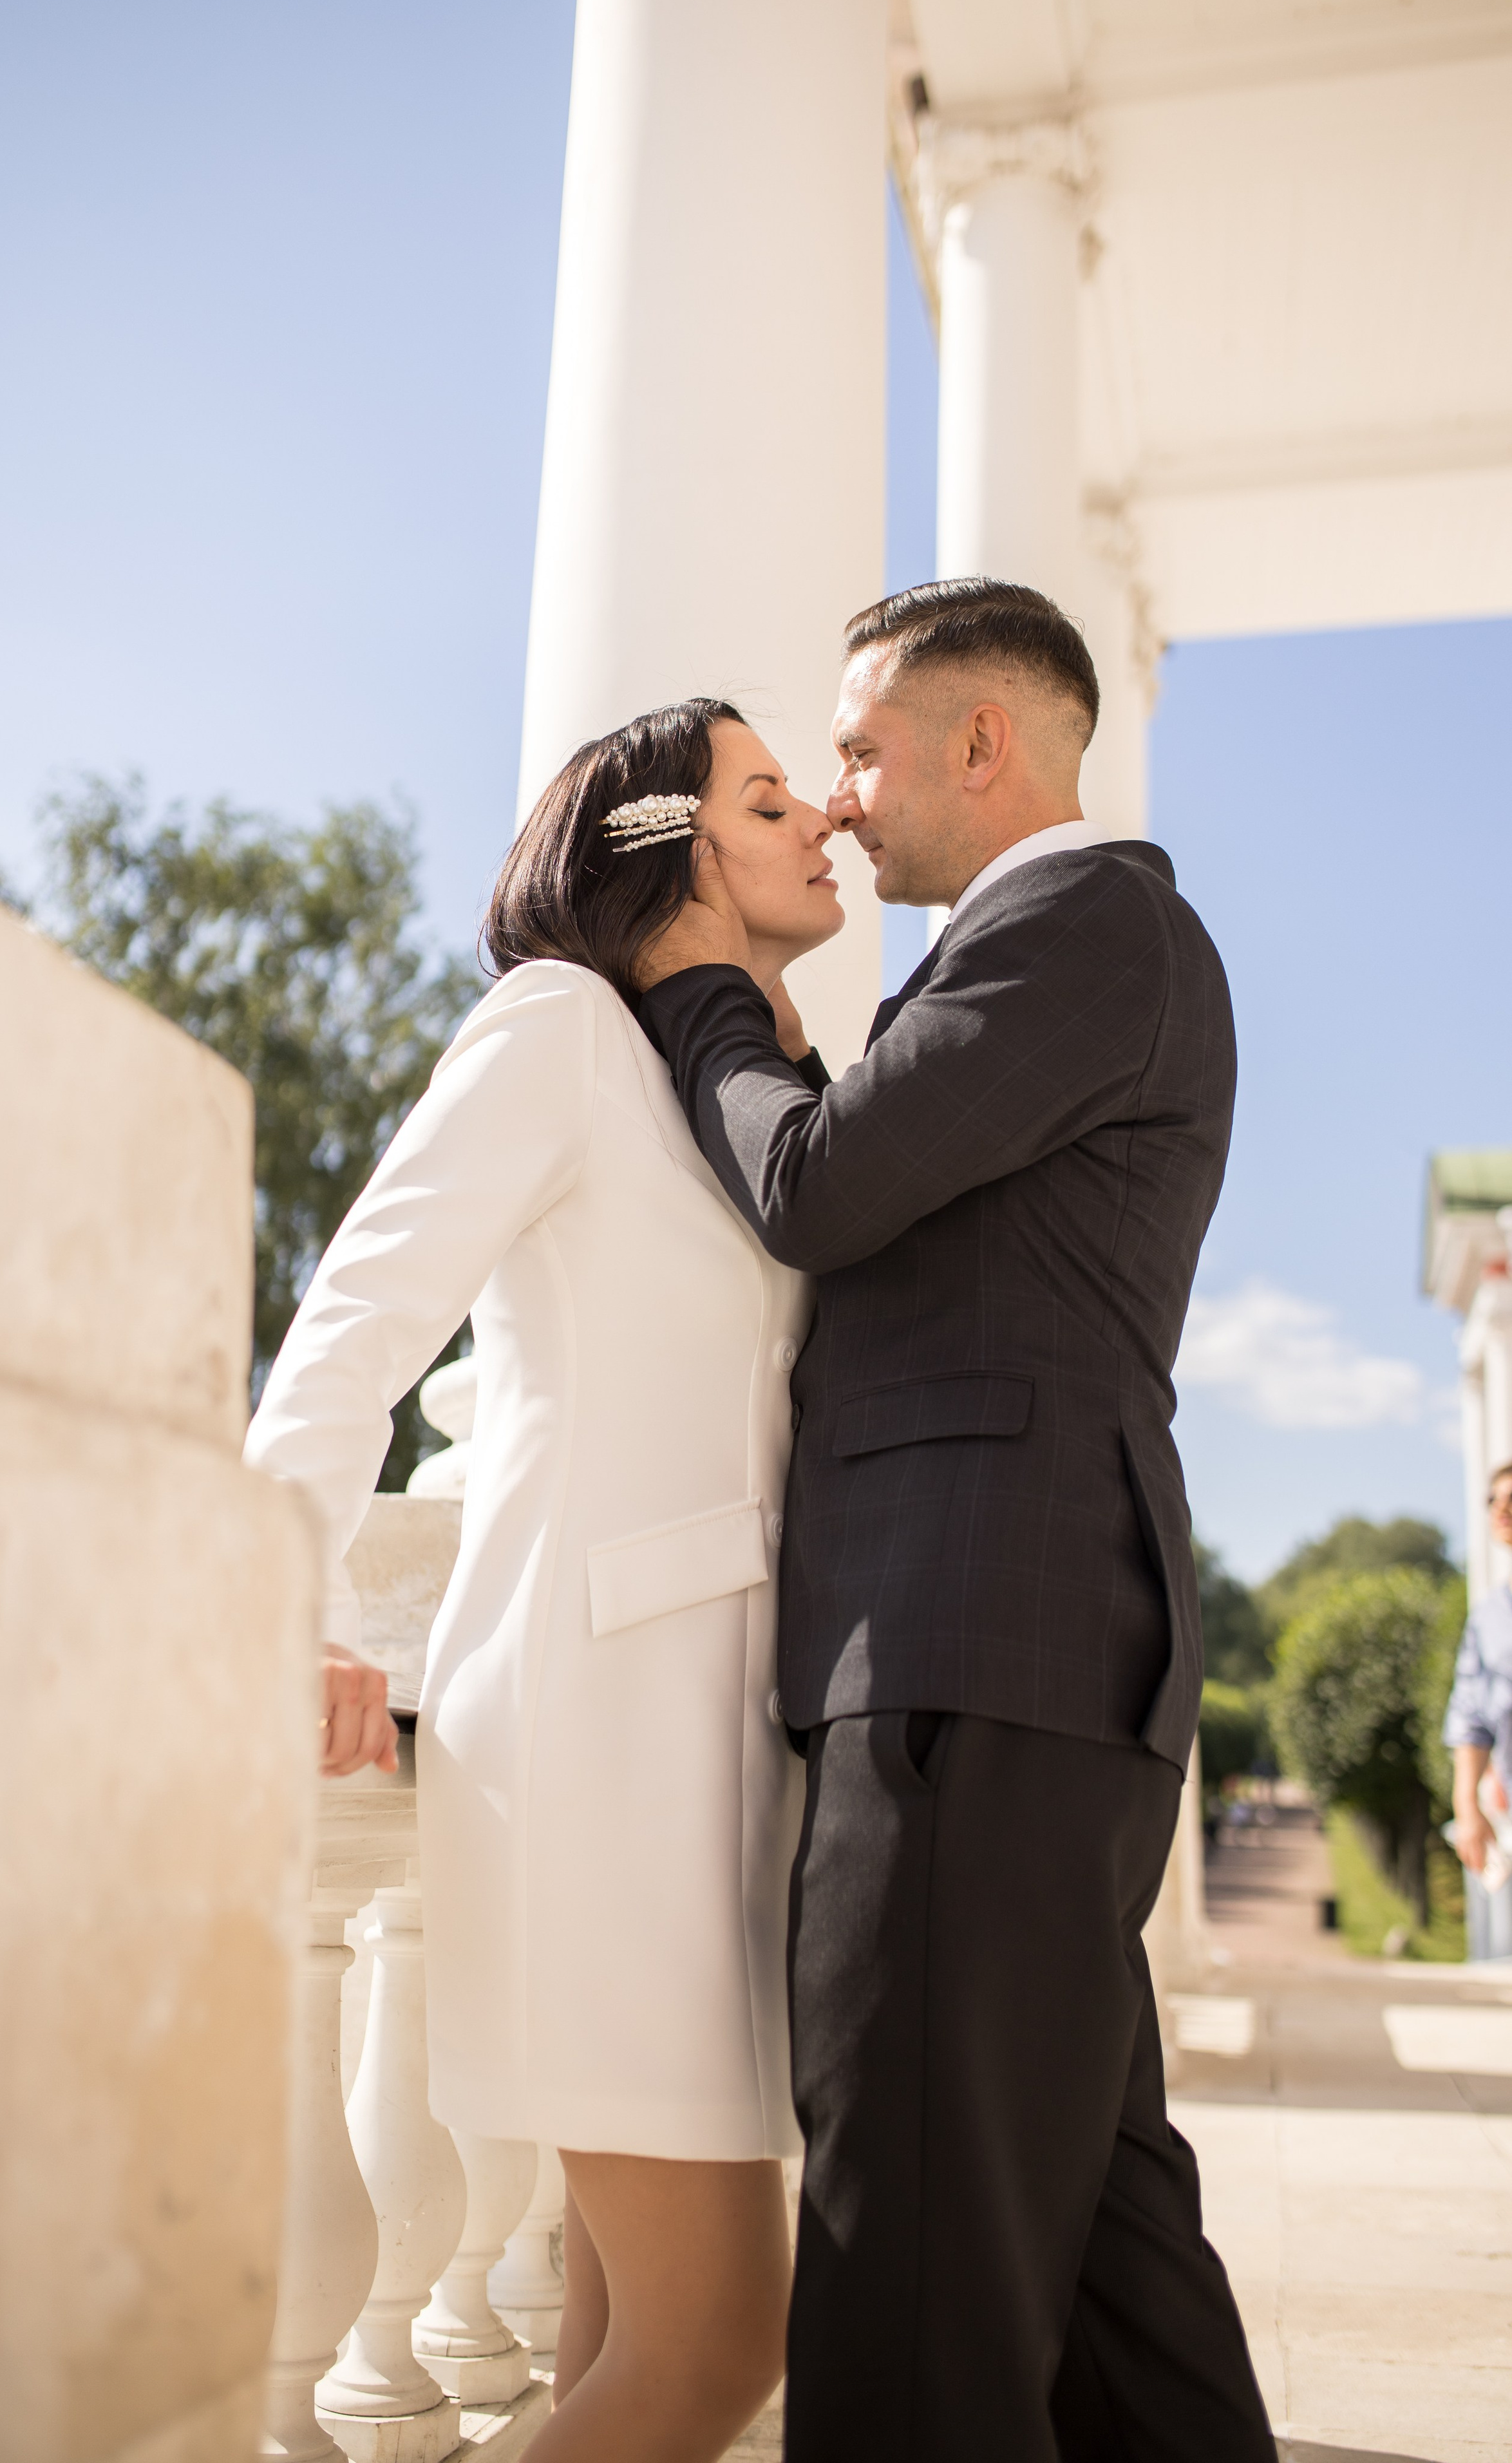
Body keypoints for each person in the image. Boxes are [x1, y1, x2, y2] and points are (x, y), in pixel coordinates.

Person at [636, 578, 1276, 2460]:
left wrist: (693, 997)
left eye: (854, 748)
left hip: (965, 1648)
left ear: (979, 740)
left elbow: (823, 1184)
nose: (836, 797)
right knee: (1099, 2268)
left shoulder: (1084, 924)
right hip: (1013, 1656)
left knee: (907, 2282)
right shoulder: (1060, 947)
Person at [244, 697, 844, 2463]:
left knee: (616, 2353)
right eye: (765, 795)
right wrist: (300, 1612)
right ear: (667, 846)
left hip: (716, 1757)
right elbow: (354, 1321)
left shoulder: (720, 1083)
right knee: (720, 2346)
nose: (816, 818)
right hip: (595, 1752)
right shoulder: (557, 1029)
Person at [1443, 1461, 1512, 1905]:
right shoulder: (1489, 1618)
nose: (1502, 1509)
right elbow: (1472, 1718)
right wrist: (1467, 1804)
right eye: (1495, 1500)